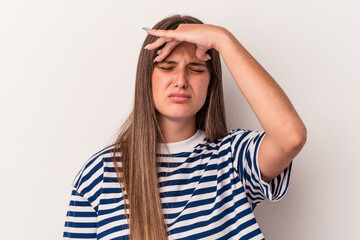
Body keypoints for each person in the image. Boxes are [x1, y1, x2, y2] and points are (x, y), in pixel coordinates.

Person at [63, 14, 306, 240]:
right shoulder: (100, 175)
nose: (181, 81)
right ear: (145, 78)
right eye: (167, 67)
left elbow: (290, 136)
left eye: (196, 69)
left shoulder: (233, 158)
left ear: (211, 85)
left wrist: (222, 39)